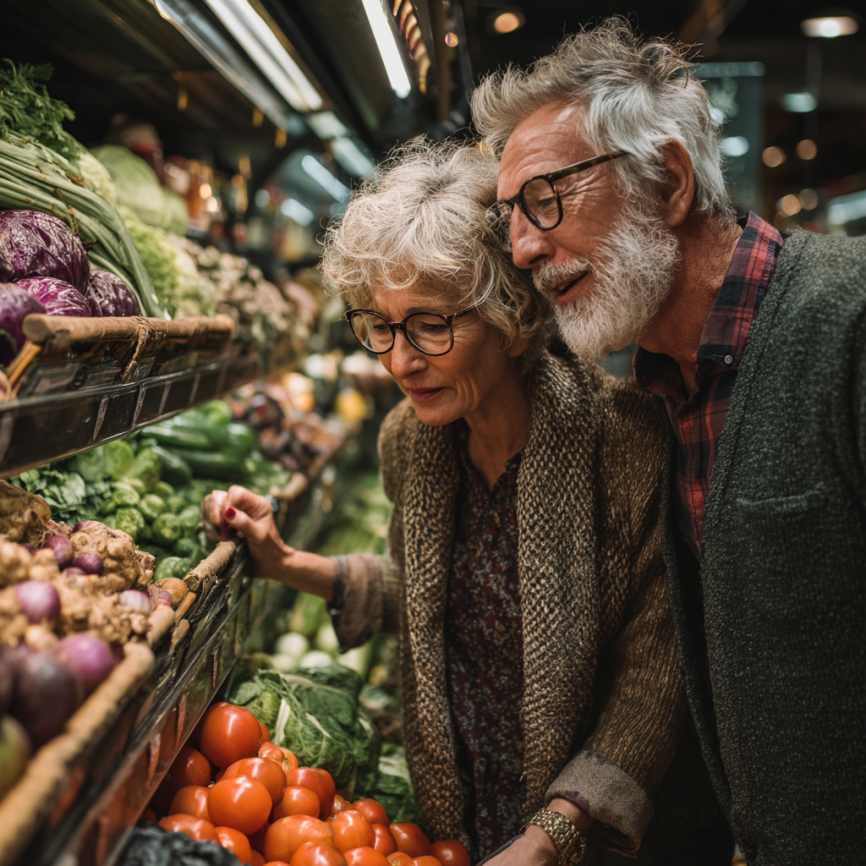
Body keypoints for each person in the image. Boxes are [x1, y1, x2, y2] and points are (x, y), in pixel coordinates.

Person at [203, 142, 729, 865]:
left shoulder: (627, 440)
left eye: (430, 324)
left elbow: (656, 676)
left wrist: (555, 837)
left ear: (510, 316)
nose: (399, 360)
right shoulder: (409, 442)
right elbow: (432, 597)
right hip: (463, 821)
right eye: (380, 326)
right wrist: (285, 562)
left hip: (610, 840)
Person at [472, 17, 866, 866]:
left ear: (672, 183)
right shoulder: (660, 392)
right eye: (510, 215)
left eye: (546, 197)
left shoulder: (849, 324)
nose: (523, 247)